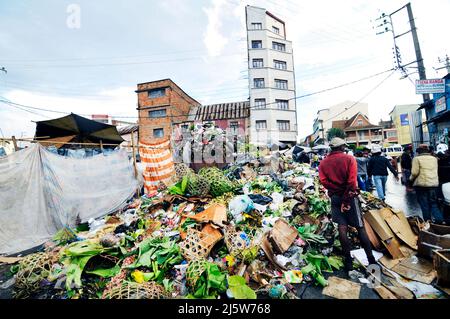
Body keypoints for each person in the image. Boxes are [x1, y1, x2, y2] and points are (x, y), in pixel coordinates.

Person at [319, 137, 377, 274]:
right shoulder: (349, 159)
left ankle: (348, 262)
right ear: (341, 147)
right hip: (349, 198)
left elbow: (324, 182)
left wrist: (336, 191)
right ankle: (371, 260)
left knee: (342, 228)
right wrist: (346, 199)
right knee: (360, 227)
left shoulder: (323, 163)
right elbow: (351, 182)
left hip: (335, 197)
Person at [410, 144, 444, 224]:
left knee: (424, 204)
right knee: (433, 203)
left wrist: (410, 180)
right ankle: (440, 220)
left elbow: (414, 173)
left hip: (421, 185)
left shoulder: (416, 159)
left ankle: (428, 222)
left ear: (419, 151)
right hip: (433, 184)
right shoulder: (434, 159)